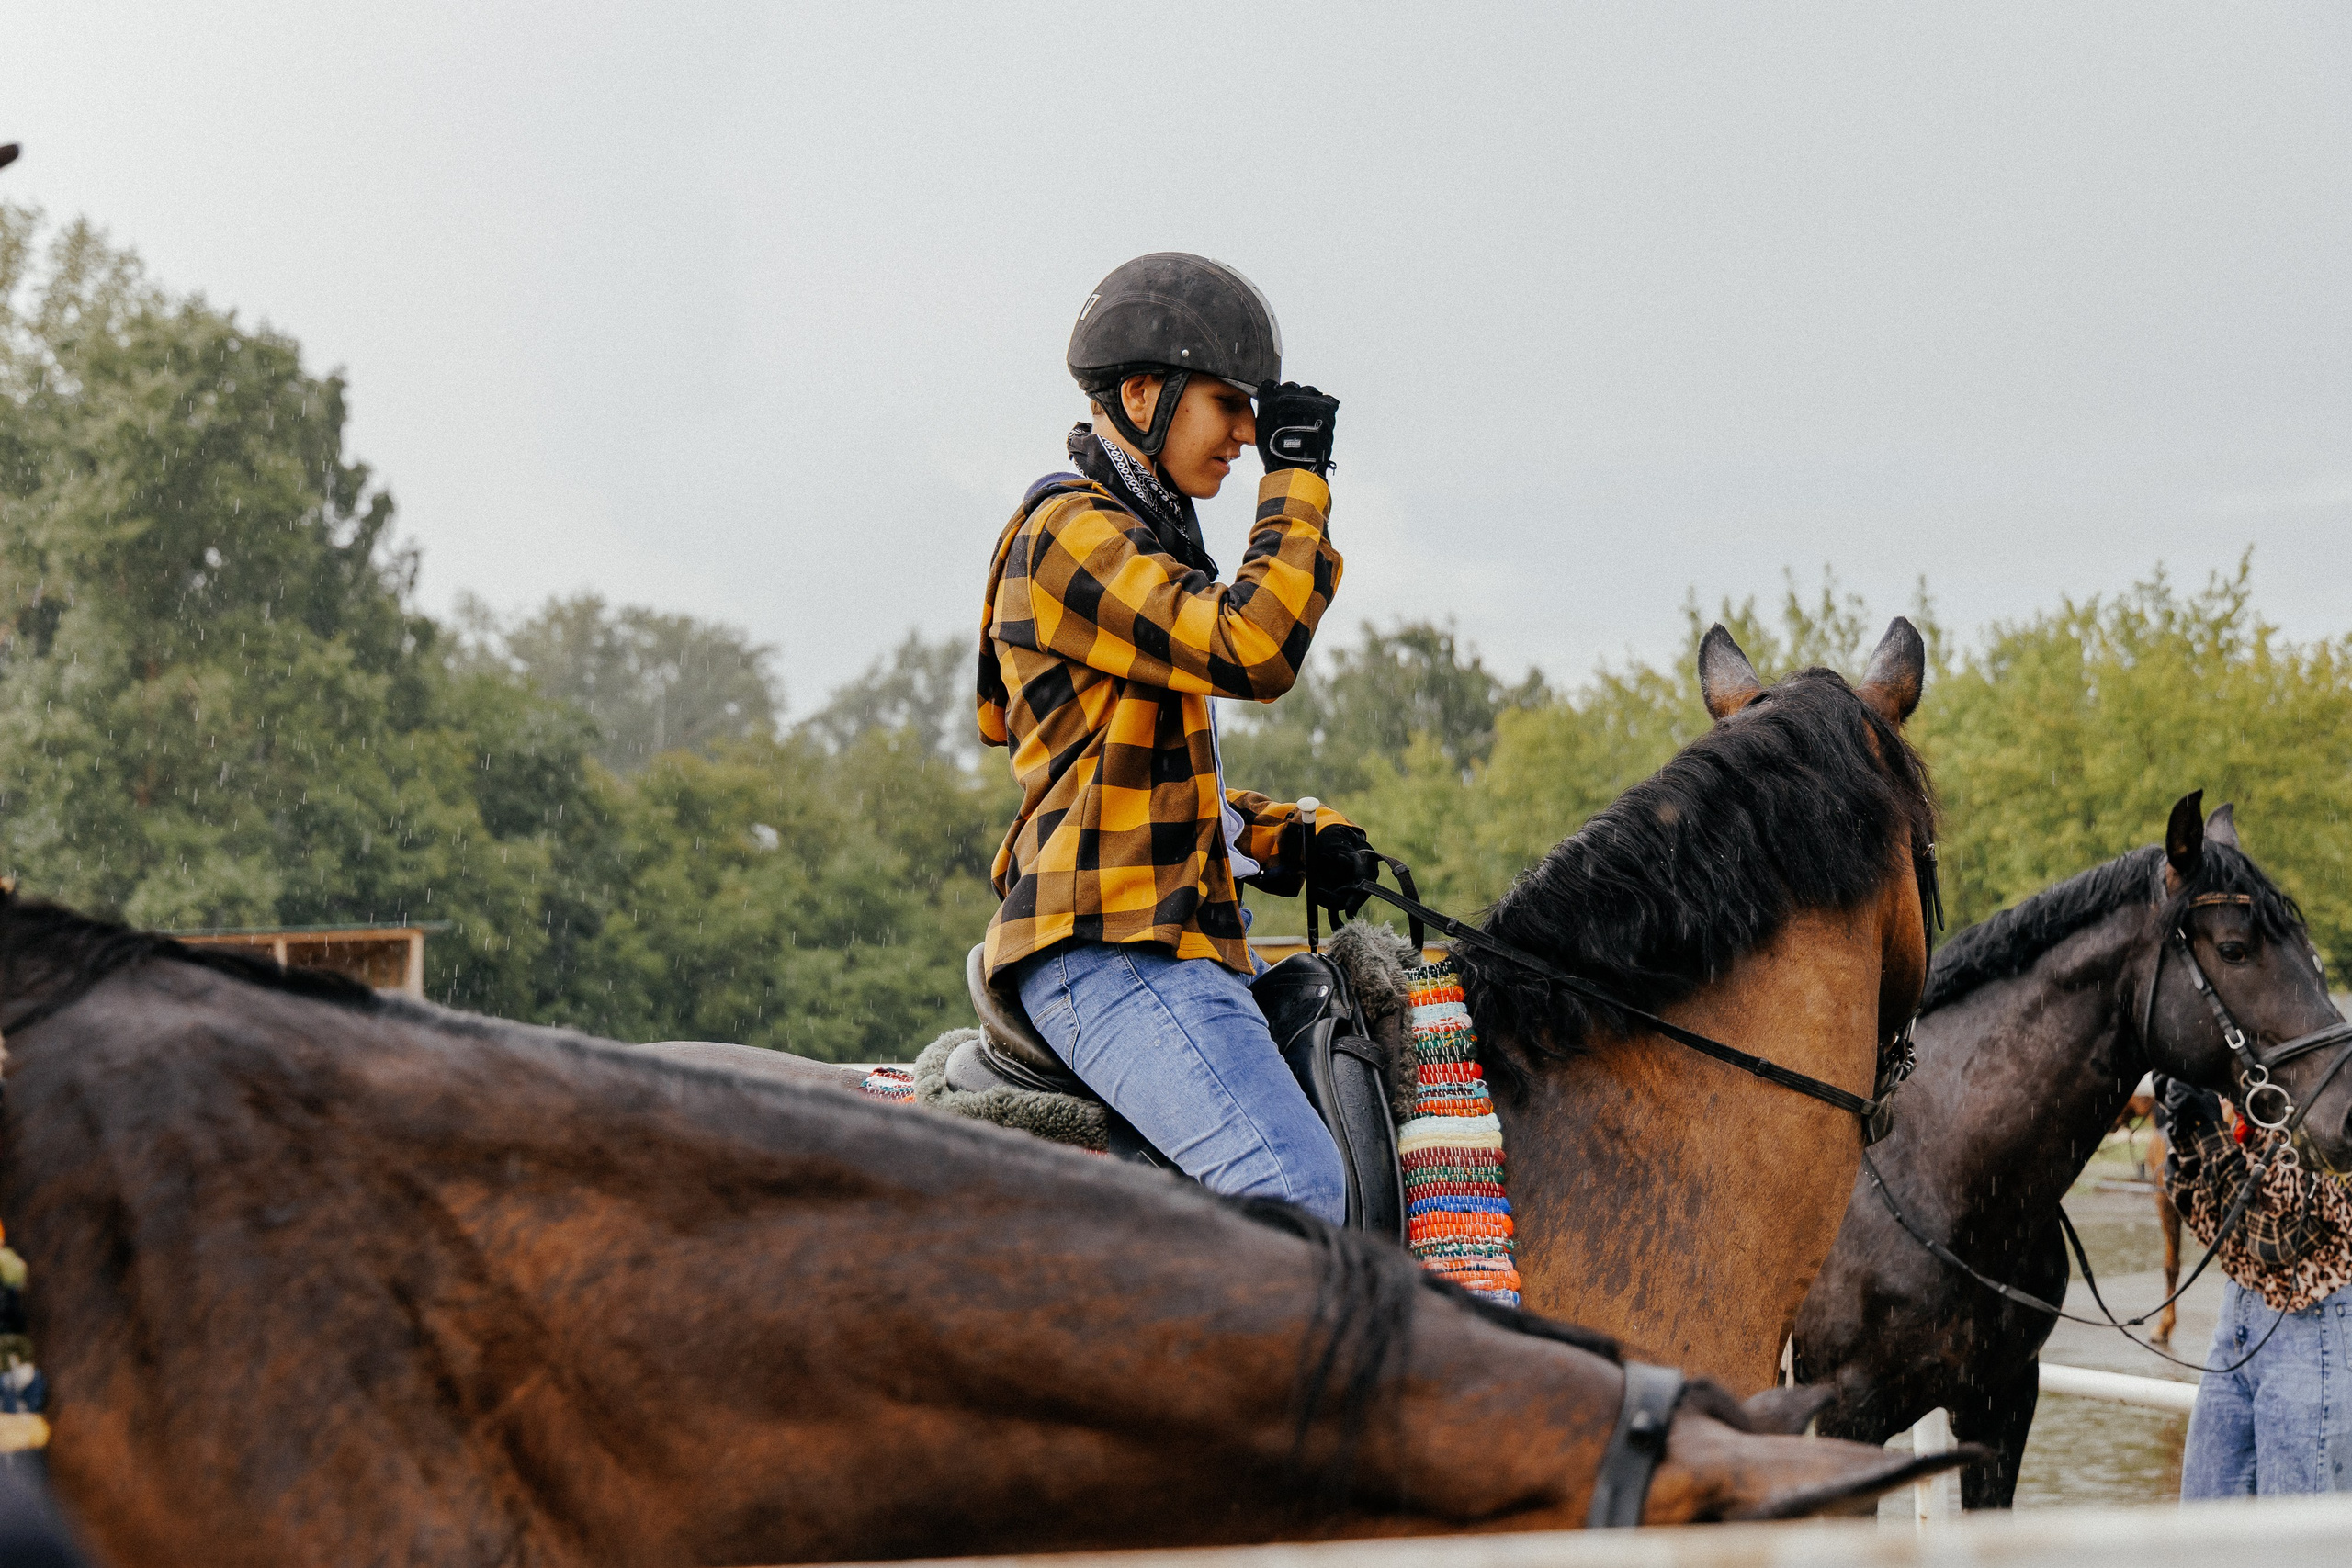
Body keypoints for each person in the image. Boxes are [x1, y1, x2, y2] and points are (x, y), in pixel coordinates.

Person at [976, 252, 1382, 1225]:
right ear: (1145, 394)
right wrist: (1297, 483)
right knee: (1291, 1188)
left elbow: (1134, 778)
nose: (1245, 433)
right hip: (1111, 949)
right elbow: (1255, 648)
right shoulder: (1070, 531)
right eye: (1226, 403)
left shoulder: (1139, 541)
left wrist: (1288, 835)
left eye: (1255, 413)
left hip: (1173, 936)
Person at [2160, 1076, 2352, 1495]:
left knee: (2296, 1544)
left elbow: (2278, 1242)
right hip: (2236, 1323)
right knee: (2207, 1526)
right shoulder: (2254, 1103)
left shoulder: (2332, 1104)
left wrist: (2211, 1138)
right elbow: (2209, 1226)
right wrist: (2187, 1131)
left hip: (2312, 1326)